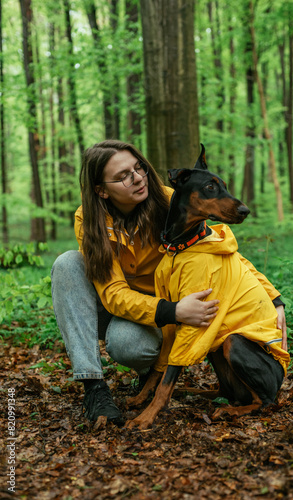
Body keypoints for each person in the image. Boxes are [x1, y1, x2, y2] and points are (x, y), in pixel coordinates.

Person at [51, 139, 221, 426]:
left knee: (129, 344)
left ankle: (150, 372)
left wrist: (274, 299)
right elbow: (114, 293)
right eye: (122, 176)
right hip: (128, 305)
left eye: (138, 167)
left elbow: (217, 247)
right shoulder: (89, 219)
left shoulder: (170, 201)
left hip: (154, 317)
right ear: (101, 190)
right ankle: (93, 388)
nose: (138, 178)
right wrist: (174, 310)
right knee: (67, 263)